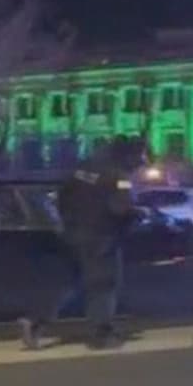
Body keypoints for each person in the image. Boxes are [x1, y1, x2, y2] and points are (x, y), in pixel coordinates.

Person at [20, 135, 145, 351]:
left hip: (73, 235)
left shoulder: (82, 169)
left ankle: (36, 322)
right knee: (104, 285)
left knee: (69, 282)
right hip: (103, 238)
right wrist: (138, 214)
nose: (143, 161)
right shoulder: (119, 176)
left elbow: (62, 197)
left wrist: (69, 222)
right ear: (129, 155)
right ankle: (102, 334)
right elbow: (119, 208)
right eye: (141, 156)